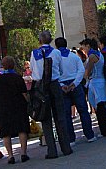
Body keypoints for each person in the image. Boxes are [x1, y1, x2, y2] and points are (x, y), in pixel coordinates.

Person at [30, 31, 73, 159]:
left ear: (40, 40)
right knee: (60, 116)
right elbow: (61, 69)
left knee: (45, 118)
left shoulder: (34, 53)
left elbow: (33, 70)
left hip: (41, 87)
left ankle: (51, 151)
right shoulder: (56, 53)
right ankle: (66, 147)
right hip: (54, 84)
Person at [55, 37, 96, 146]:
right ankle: (89, 135)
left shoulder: (55, 59)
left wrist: (62, 85)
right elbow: (81, 70)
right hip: (75, 84)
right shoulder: (74, 56)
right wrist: (75, 83)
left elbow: (54, 73)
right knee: (83, 110)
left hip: (63, 85)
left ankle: (71, 139)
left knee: (66, 113)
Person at [0, 56, 29, 164]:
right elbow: (24, 93)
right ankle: (23, 153)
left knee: (6, 132)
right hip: (18, 106)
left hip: (4, 107)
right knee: (22, 129)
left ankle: (10, 156)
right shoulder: (17, 77)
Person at [79, 38, 106, 137]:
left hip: (95, 82)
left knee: (99, 108)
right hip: (100, 81)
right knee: (102, 106)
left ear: (88, 46)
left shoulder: (92, 56)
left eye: (84, 47)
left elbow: (87, 71)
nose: (83, 49)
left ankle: (105, 130)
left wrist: (83, 77)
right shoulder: (99, 54)